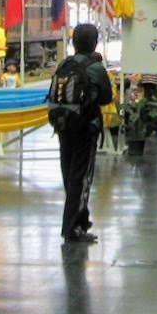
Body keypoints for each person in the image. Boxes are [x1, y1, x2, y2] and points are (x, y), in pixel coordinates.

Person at [49, 23, 113, 245]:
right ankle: (73, 227)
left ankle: (77, 222)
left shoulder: (64, 64)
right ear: (94, 43)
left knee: (69, 173)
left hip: (64, 124)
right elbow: (106, 98)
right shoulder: (96, 68)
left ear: (73, 42)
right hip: (86, 127)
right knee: (82, 176)